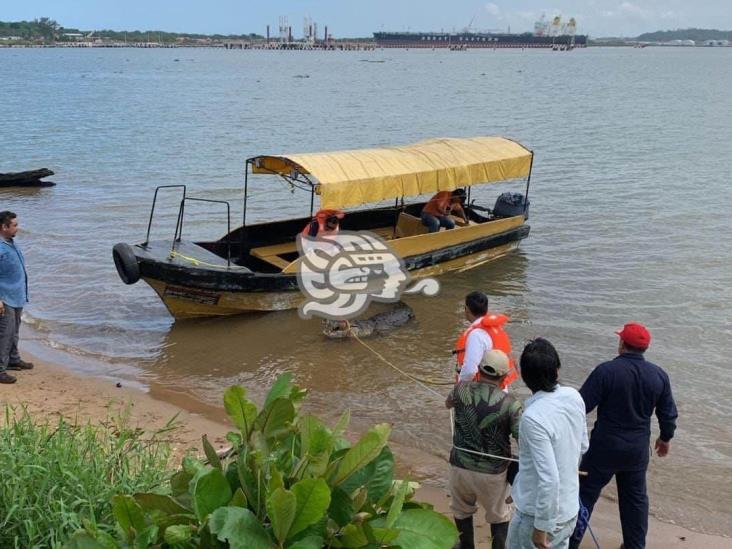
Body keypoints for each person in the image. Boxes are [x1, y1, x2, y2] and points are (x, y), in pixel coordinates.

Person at [569, 323, 678, 549]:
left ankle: (570, 542)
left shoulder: (606, 371)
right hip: (636, 450)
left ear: (621, 344)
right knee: (635, 501)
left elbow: (580, 407)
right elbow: (668, 414)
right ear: (645, 348)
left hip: (604, 447)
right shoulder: (659, 375)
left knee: (585, 494)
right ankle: (634, 545)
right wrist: (665, 438)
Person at [508, 338, 588, 549]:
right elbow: (583, 446)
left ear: (524, 377)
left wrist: (541, 528)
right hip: (569, 509)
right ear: (557, 370)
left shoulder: (533, 417)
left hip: (538, 516)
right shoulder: (574, 396)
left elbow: (550, 479)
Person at [446, 349, 523, 549]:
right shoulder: (511, 404)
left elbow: (448, 404)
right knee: (499, 517)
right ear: (505, 377)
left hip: (460, 468)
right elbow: (523, 440)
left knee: (461, 512)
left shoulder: (460, 389)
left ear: (479, 370)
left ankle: (466, 546)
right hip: (493, 475)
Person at [453, 291, 519, 389]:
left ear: (466, 309)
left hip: (483, 392)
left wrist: (459, 388)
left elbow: (470, 370)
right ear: (486, 309)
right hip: (500, 388)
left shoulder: (476, 334)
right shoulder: (496, 328)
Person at [0, 211, 33, 384]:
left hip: (17, 295)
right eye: (14, 225)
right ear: (4, 227)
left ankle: (13, 359)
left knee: (14, 332)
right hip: (4, 297)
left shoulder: (11, 243)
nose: (17, 228)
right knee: (5, 334)